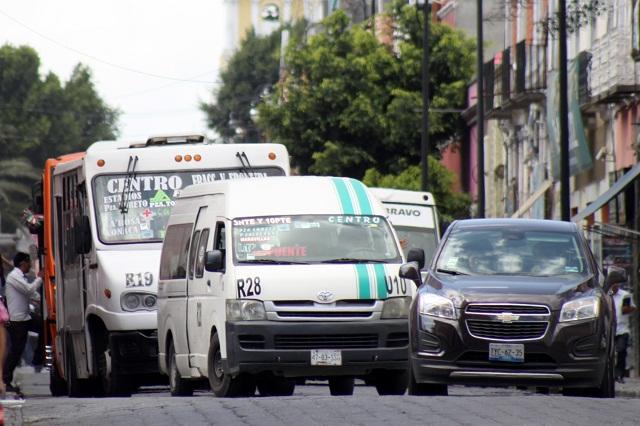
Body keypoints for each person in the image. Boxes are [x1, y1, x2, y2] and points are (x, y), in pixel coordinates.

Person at [3, 252, 43, 392]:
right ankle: (6, 380)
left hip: (26, 317)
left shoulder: (20, 277)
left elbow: (32, 293)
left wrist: (39, 298)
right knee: (16, 351)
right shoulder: (14, 277)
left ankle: (39, 356)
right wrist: (39, 279)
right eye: (28, 262)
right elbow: (28, 290)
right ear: (22, 263)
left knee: (43, 325)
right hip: (17, 320)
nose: (30, 265)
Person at [611, 280, 637, 383]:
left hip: (622, 329)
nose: (614, 286)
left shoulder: (625, 295)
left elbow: (632, 308)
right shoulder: (606, 295)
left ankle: (619, 374)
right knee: (609, 354)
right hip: (609, 329)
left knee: (621, 351)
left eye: (615, 283)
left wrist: (626, 309)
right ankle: (611, 374)